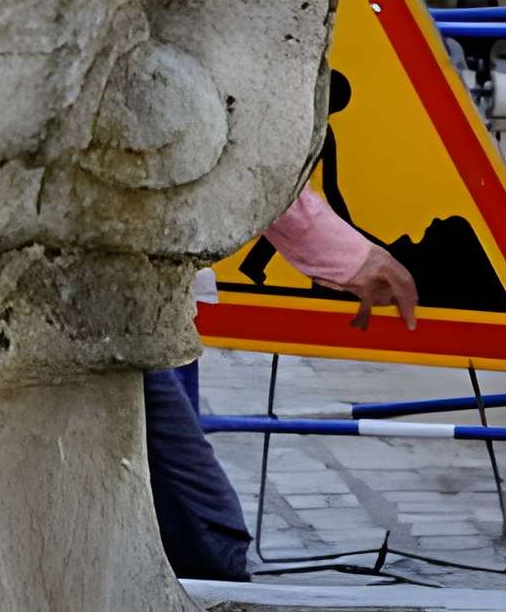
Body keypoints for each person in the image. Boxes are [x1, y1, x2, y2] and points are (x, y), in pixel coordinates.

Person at [150, 185, 421, 582]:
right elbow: (256, 153)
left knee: (178, 518)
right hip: (130, 300)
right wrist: (351, 258)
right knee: (197, 530)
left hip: (161, 297)